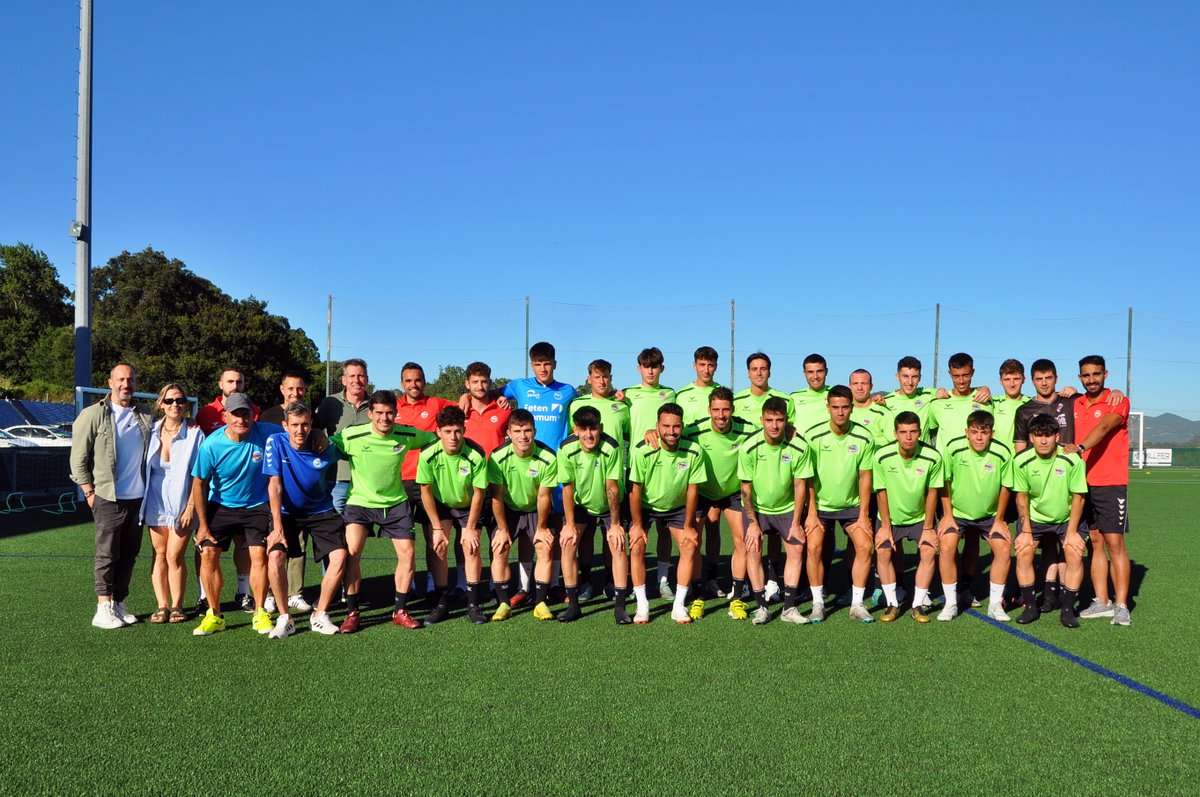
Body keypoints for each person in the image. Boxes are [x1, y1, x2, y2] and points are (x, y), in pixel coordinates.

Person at [332, 390, 436, 633]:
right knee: (352, 553)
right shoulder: (352, 435)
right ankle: (352, 613)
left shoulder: (407, 434)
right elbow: (325, 442)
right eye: (379, 413)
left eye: (389, 412)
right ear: (370, 414)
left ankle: (400, 610)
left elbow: (435, 439)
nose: (384, 418)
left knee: (408, 554)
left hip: (395, 504)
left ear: (396, 413)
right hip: (360, 503)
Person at [190, 393, 285, 636]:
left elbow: (296, 431)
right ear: (225, 416)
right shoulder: (211, 444)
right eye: (235, 414)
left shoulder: (267, 432)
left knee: (258, 554)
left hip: (256, 505)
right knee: (209, 553)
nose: (241, 419)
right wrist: (202, 525)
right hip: (221, 505)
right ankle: (215, 614)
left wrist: (317, 435)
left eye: (245, 413)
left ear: (253, 415)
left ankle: (260, 612)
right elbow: (199, 483)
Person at [71, 363, 154, 629]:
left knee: (129, 554)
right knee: (107, 554)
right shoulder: (93, 414)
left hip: (137, 498)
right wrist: (89, 492)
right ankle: (102, 607)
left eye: (130, 380)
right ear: (110, 383)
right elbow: (78, 458)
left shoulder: (144, 414)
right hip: (108, 496)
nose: (125, 385)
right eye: (120, 380)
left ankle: (119, 603)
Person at [498, 343, 577, 604]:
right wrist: (469, 397)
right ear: (532, 365)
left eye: (547, 363)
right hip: (526, 467)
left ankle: (553, 584)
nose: (543, 368)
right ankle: (523, 587)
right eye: (537, 364)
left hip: (555, 467)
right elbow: (490, 394)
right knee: (525, 531)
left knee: (552, 528)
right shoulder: (519, 386)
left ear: (555, 363)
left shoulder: (567, 392)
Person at [264, 402, 348, 637]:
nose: (299, 430)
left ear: (311, 425)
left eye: (305, 425)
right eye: (294, 425)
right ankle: (285, 618)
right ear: (285, 426)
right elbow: (274, 485)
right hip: (287, 513)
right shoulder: (276, 442)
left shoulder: (323, 445)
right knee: (275, 556)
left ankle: (319, 615)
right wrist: (277, 527)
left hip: (321, 510)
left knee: (340, 556)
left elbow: (348, 446)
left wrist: (327, 437)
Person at [683, 387, 765, 621]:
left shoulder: (747, 430)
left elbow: (770, 432)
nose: (721, 415)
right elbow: (668, 434)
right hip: (703, 492)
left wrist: (789, 430)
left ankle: (736, 597)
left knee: (742, 541)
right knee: (694, 541)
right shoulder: (695, 430)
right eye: (716, 410)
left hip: (732, 494)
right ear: (709, 410)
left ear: (732, 409)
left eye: (725, 409)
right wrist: (652, 431)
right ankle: (698, 596)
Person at [802, 385, 875, 623]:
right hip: (821, 507)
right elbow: (808, 476)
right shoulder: (813, 436)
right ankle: (818, 603)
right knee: (813, 547)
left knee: (864, 546)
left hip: (851, 507)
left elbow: (865, 477)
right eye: (835, 407)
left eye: (845, 407)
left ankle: (857, 604)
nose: (840, 412)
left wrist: (864, 515)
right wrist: (811, 513)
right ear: (828, 408)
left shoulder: (864, 437)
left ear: (852, 408)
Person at [630, 403, 707, 623]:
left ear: (682, 427)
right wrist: (636, 525)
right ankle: (642, 604)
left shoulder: (694, 451)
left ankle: (679, 605)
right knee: (637, 545)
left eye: (676, 427)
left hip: (678, 508)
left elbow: (693, 490)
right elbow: (635, 491)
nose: (671, 432)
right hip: (646, 506)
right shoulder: (643, 451)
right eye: (665, 426)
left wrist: (689, 525)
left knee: (690, 544)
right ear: (657, 426)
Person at [1070, 355, 1133, 626]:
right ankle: (1102, 601)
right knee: (1094, 543)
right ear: (1079, 377)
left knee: (1115, 544)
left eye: (1096, 374)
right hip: (1082, 483)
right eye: (1086, 375)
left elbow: (1106, 426)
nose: (1091, 379)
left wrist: (1082, 447)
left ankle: (1121, 605)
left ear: (1106, 374)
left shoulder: (1118, 401)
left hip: (1110, 483)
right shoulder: (1076, 403)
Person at [739, 397, 812, 624]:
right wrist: (753, 523)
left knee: (796, 549)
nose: (774, 425)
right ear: (761, 420)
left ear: (786, 421)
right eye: (769, 420)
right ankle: (762, 607)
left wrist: (796, 521)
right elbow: (746, 489)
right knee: (752, 549)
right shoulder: (749, 446)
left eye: (779, 420)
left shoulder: (800, 446)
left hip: (787, 507)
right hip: (757, 509)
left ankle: (789, 609)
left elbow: (801, 485)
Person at [937, 410, 1014, 622]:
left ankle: (995, 605)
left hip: (989, 517)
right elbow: (945, 482)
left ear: (993, 433)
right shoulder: (953, 448)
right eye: (974, 432)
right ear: (966, 432)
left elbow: (1006, 487)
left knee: (1004, 548)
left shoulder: (1002, 452)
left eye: (984, 432)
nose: (979, 437)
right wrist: (947, 516)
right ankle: (950, 603)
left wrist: (999, 520)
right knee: (946, 546)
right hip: (957, 514)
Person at [1012, 414, 1089, 628]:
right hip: (1035, 518)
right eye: (1038, 436)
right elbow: (1021, 497)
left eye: (1048, 435)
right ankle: (1031, 607)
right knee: (1024, 551)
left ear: (1057, 436)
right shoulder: (1021, 460)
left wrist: (1072, 532)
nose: (1043, 441)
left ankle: (1067, 611)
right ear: (1030, 438)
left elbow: (1079, 497)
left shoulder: (1072, 458)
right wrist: (1026, 531)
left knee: (1074, 552)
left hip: (1066, 518)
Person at [192, 366, 258, 614]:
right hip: (210, 493)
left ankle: (243, 593)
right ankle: (204, 597)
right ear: (220, 384)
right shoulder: (205, 413)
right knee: (207, 545)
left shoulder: (251, 409)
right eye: (230, 381)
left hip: (244, 491)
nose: (235, 386)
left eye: (239, 382)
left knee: (244, 545)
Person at [564, 359, 630, 598]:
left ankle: (613, 582)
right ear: (588, 378)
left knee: (611, 535)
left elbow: (629, 436)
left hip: (612, 477)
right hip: (584, 479)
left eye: (606, 376)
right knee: (585, 536)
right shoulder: (576, 404)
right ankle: (586, 580)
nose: (602, 381)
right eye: (597, 376)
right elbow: (571, 437)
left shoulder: (622, 406)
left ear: (611, 378)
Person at [418, 406, 490, 624]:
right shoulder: (428, 454)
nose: (453, 437)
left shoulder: (476, 454)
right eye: (448, 431)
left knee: (471, 547)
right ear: (438, 431)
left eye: (457, 431)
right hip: (441, 504)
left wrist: (470, 527)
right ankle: (441, 604)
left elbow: (479, 493)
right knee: (438, 547)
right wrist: (437, 528)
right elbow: (425, 491)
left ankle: (473, 604)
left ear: (464, 430)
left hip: (469, 504)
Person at [559, 406, 631, 624]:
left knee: (617, 544)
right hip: (582, 503)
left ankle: (620, 606)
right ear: (575, 430)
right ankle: (573, 605)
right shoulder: (566, 448)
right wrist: (570, 524)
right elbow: (568, 488)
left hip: (610, 503)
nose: (589, 434)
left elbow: (612, 487)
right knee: (569, 542)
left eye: (593, 429)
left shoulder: (612, 447)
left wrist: (616, 524)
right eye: (584, 429)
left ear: (600, 428)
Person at [488, 410, 562, 620]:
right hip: (508, 510)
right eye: (517, 431)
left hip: (534, 509)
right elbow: (496, 497)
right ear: (509, 433)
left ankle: (540, 602)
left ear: (535, 431)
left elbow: (544, 496)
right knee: (500, 547)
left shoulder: (547, 456)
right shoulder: (498, 457)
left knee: (545, 546)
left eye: (527, 430)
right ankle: (503, 603)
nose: (523, 436)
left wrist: (542, 527)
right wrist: (502, 530)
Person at [140, 383, 204, 624]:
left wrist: (190, 506)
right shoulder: (152, 430)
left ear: (186, 405)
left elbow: (199, 474)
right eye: (169, 401)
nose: (174, 405)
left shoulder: (195, 434)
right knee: (159, 554)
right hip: (155, 499)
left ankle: (177, 605)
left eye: (179, 400)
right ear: (161, 404)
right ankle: (162, 605)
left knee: (175, 555)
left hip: (182, 499)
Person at [872, 411, 943, 623]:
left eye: (913, 432)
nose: (908, 437)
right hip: (890, 518)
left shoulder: (933, 456)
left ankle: (918, 605)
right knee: (883, 552)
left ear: (920, 432)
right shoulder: (881, 456)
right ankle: (892, 604)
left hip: (920, 517)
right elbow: (881, 491)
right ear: (895, 433)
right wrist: (885, 526)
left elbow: (932, 492)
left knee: (929, 550)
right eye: (903, 432)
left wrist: (929, 527)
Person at [394, 362, 457, 598]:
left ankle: (433, 583)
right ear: (402, 384)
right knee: (404, 541)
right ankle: (407, 582)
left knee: (435, 538)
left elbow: (464, 405)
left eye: (418, 379)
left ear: (425, 381)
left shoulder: (436, 404)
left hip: (431, 482)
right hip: (400, 482)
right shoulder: (393, 407)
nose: (414, 384)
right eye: (409, 380)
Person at [623, 347, 678, 600]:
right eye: (646, 366)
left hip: (665, 468)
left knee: (665, 531)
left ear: (662, 368)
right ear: (639, 369)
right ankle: (637, 585)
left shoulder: (670, 394)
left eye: (655, 366)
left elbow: (672, 424)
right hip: (637, 469)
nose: (651, 370)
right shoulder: (627, 395)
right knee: (637, 530)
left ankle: (663, 580)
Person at [259, 369, 313, 615]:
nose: (295, 393)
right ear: (282, 389)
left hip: (300, 490)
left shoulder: (310, 415)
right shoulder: (268, 415)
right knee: (274, 542)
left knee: (299, 544)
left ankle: (295, 592)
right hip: (275, 487)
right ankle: (271, 593)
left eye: (299, 388)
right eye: (290, 388)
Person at [315, 358, 371, 513]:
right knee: (334, 526)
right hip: (337, 478)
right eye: (352, 376)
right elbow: (316, 432)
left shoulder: (375, 405)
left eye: (360, 376)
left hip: (365, 481)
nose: (356, 380)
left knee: (359, 529)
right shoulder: (330, 403)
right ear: (344, 380)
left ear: (366, 379)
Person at [734, 352, 793, 431]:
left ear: (769, 373)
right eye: (754, 369)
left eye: (763, 369)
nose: (759, 373)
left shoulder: (786, 401)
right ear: (748, 373)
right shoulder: (735, 400)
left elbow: (792, 430)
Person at [462, 362, 512, 457]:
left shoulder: (504, 410)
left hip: (496, 469)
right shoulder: (460, 411)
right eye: (475, 382)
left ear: (490, 383)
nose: (480, 387)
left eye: (484, 382)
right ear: (467, 384)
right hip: (466, 469)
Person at [674, 346, 721, 426]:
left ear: (716, 367)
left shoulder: (723, 393)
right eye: (702, 365)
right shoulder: (681, 394)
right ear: (694, 365)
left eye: (710, 365)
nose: (706, 370)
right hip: (688, 438)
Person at [991, 359, 1030, 452]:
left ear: (1024, 379)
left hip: (1023, 462)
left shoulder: (1032, 404)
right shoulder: (992, 403)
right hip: (998, 461)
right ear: (1000, 381)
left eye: (1016, 379)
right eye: (1007, 379)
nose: (1012, 384)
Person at [789, 353, 833, 436]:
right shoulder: (794, 397)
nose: (815, 376)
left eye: (819, 371)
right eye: (810, 372)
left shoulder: (836, 393)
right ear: (804, 373)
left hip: (828, 447)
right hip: (802, 447)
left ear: (826, 372)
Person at [848, 369, 891, 446]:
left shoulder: (883, 413)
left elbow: (895, 445)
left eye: (864, 383)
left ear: (871, 386)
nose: (859, 388)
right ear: (850, 387)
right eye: (855, 383)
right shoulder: (843, 413)